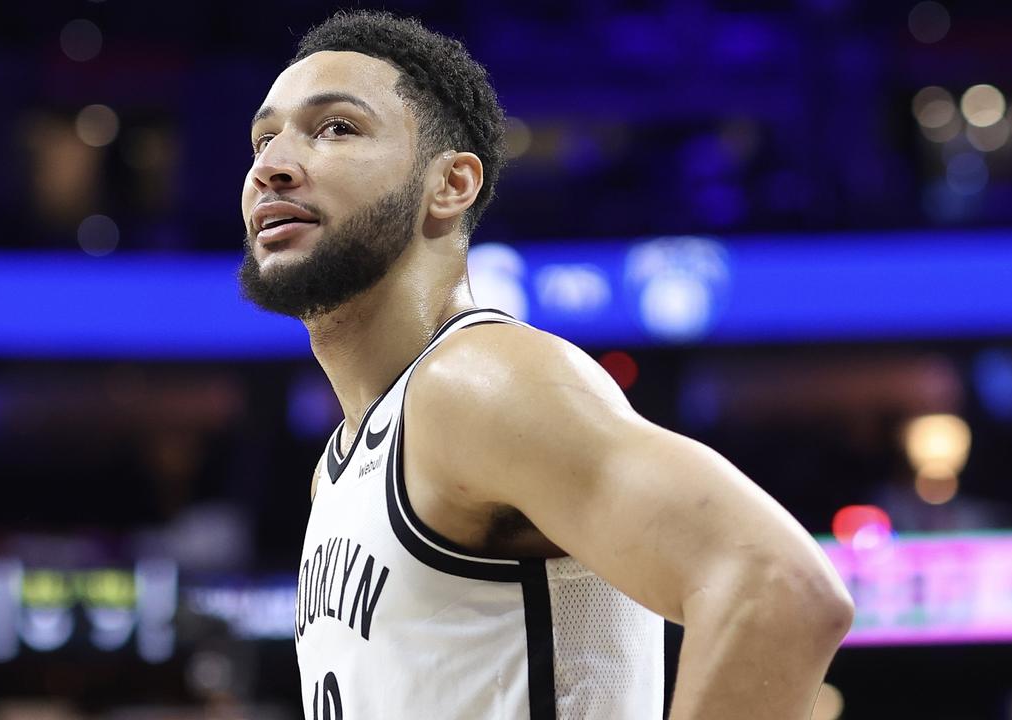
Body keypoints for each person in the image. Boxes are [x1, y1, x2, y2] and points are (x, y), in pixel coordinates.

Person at [237, 10, 853, 719]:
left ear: (452, 185)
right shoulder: (342, 464)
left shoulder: (478, 381)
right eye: (263, 137)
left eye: (336, 128)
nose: (271, 165)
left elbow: (777, 585)